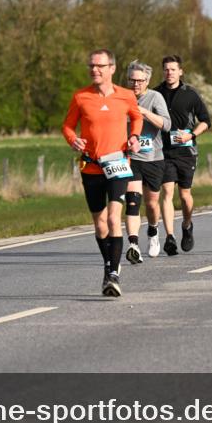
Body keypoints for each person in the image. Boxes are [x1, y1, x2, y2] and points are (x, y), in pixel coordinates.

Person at [62, 49, 143, 296]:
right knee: (99, 224)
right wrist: (73, 139)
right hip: (92, 166)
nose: (94, 70)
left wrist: (135, 138)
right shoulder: (80, 97)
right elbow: (67, 125)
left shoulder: (126, 95)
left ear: (112, 68)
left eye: (99, 66)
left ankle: (114, 273)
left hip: (118, 164)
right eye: (91, 66)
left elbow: (136, 118)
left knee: (112, 218)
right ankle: (108, 265)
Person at [154, 55, 210, 255]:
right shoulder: (156, 93)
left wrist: (191, 135)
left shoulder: (190, 94)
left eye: (173, 69)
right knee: (167, 193)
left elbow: (205, 120)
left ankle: (187, 225)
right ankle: (169, 237)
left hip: (187, 152)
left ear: (180, 71)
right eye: (166, 69)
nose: (169, 73)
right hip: (164, 151)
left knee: (185, 196)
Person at [123, 61, 170, 263]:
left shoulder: (155, 97)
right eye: (132, 80)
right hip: (131, 159)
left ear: (147, 81)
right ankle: (133, 244)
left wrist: (144, 113)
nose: (136, 84)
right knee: (133, 201)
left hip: (153, 158)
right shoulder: (122, 98)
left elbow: (166, 125)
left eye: (140, 81)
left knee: (152, 204)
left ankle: (153, 231)